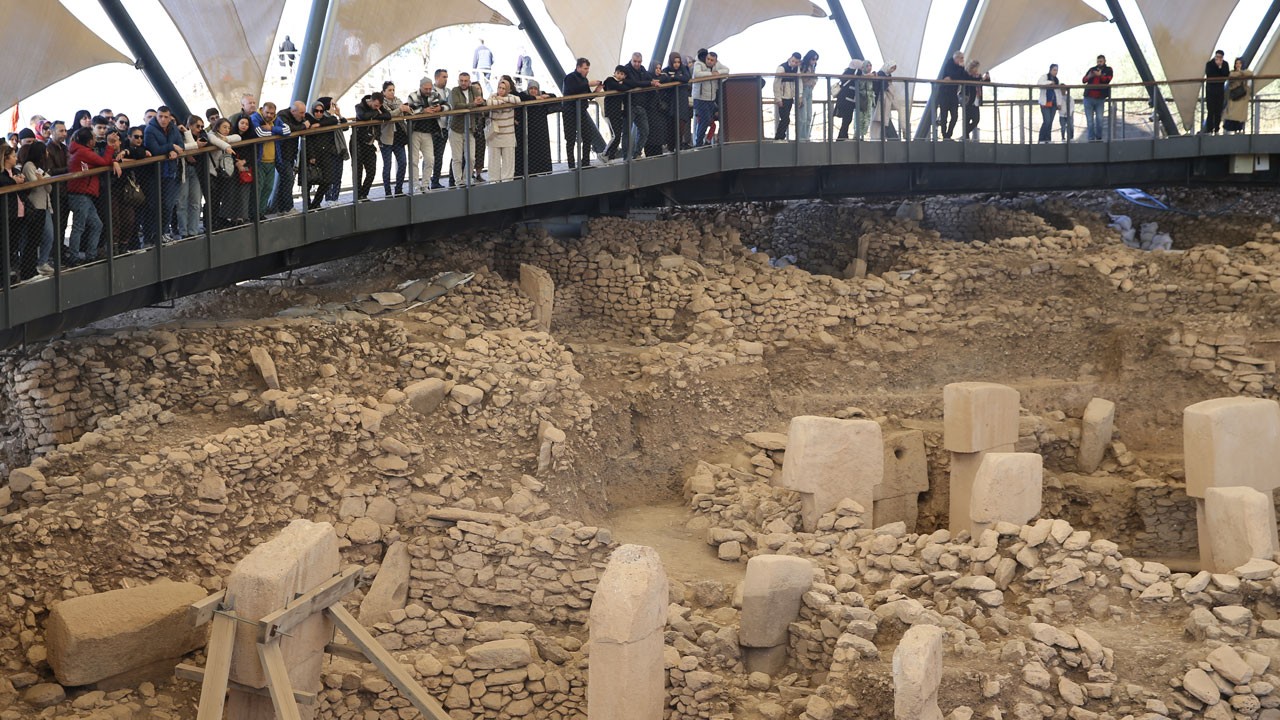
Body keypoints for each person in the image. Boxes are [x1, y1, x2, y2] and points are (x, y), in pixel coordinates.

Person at [66, 126, 119, 264]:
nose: (96, 140)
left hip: (84, 194)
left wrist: (112, 160)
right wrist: (109, 147)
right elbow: (102, 162)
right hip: (80, 194)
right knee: (79, 226)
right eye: (94, 138)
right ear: (89, 141)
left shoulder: (81, 151)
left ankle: (90, 254)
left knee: (96, 224)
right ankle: (74, 257)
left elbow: (100, 162)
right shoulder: (83, 152)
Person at [142, 106, 186, 246]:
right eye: (160, 116)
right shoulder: (150, 129)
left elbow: (181, 145)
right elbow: (154, 150)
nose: (163, 119)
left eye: (166, 117)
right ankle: (152, 235)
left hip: (170, 172)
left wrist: (175, 150)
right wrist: (171, 147)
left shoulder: (173, 127)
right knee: (154, 205)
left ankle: (163, 232)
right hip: (154, 173)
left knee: (168, 204)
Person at [562, 58, 608, 168]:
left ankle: (585, 162)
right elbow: (573, 89)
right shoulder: (570, 77)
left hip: (581, 111)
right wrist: (588, 83)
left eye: (588, 68)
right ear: (578, 67)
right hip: (570, 112)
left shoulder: (584, 80)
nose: (587, 71)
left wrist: (597, 90)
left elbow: (588, 96)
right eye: (585, 68)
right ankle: (571, 164)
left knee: (587, 137)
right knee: (570, 138)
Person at [112, 125, 151, 251]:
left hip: (131, 189)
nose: (139, 139)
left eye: (141, 137)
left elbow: (142, 153)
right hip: (116, 189)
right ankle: (118, 247)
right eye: (136, 136)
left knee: (131, 219)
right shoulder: (116, 149)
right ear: (128, 137)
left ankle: (127, 246)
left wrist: (126, 154)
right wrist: (121, 158)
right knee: (118, 220)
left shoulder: (129, 149)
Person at [407, 73, 448, 191]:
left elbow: (448, 105)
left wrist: (440, 108)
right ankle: (415, 185)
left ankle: (425, 184)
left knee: (430, 159)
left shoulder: (435, 95)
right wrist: (423, 111)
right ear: (420, 87)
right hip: (415, 132)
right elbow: (408, 110)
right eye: (426, 89)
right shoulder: (412, 96)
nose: (428, 91)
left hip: (429, 133)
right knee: (414, 160)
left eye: (430, 88)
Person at [17, 143, 53, 276]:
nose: (47, 153)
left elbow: (49, 187)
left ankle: (41, 263)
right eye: (45, 151)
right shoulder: (28, 166)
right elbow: (35, 185)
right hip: (34, 206)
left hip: (45, 205)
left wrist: (42, 179)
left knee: (47, 236)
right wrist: (43, 179)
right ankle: (28, 270)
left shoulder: (40, 167)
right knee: (32, 239)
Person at [250, 102, 289, 215]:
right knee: (258, 189)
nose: (269, 115)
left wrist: (271, 128)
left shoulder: (276, 119)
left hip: (272, 161)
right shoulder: (255, 118)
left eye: (272, 113)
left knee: (268, 188)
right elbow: (260, 133)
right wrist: (277, 131)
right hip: (259, 161)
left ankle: (261, 213)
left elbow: (287, 131)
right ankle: (253, 214)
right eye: (267, 112)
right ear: (262, 110)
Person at [515, 80, 559, 176]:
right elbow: (521, 97)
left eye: (535, 89)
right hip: (529, 130)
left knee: (542, 150)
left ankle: (543, 170)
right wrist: (536, 98)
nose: (533, 90)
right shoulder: (525, 96)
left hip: (541, 129)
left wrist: (545, 96)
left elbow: (554, 97)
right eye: (531, 88)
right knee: (530, 151)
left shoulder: (541, 95)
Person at [448, 73, 485, 185]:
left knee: (471, 158)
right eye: (461, 80)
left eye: (466, 81)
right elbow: (456, 105)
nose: (463, 83)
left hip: (470, 129)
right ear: (458, 81)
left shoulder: (473, 89)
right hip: (456, 129)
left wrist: (476, 103)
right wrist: (473, 104)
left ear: (469, 81)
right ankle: (458, 181)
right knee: (457, 158)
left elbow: (481, 102)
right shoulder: (454, 91)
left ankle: (466, 178)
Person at [273, 101, 309, 214]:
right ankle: (287, 207)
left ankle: (282, 208)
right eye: (301, 113)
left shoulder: (298, 116)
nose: (303, 116)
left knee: (286, 180)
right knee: (288, 179)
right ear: (293, 111)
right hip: (281, 154)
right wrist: (303, 126)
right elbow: (289, 129)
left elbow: (309, 120)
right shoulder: (282, 115)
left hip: (290, 154)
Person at [622, 53, 661, 158]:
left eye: (639, 62)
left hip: (641, 106)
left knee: (645, 131)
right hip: (630, 105)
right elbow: (633, 83)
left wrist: (652, 82)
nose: (637, 64)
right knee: (626, 132)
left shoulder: (643, 70)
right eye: (635, 61)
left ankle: (636, 153)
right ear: (631, 60)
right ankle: (626, 156)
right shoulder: (626, 70)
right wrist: (650, 83)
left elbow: (649, 79)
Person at [301, 102, 339, 208]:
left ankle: (315, 203)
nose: (318, 113)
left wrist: (319, 124)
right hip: (312, 154)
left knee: (327, 180)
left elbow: (334, 120)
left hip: (325, 155)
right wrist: (311, 156)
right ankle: (307, 205)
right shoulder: (308, 119)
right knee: (308, 181)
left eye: (321, 111)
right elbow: (308, 140)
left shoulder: (325, 121)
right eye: (316, 111)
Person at [352, 93, 389, 199]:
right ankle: (357, 196)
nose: (377, 108)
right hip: (358, 142)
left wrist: (374, 113)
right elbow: (362, 116)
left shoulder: (378, 107)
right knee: (358, 171)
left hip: (369, 144)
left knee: (371, 171)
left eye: (379, 106)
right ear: (371, 101)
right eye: (375, 105)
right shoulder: (359, 106)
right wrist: (376, 113)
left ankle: (363, 194)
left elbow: (388, 116)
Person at [177, 114, 209, 236]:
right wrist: (187, 152)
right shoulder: (180, 136)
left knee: (195, 201)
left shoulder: (203, 135)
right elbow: (180, 147)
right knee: (182, 202)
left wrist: (189, 149)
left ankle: (193, 230)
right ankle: (183, 231)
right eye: (197, 126)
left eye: (202, 126)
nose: (200, 128)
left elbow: (201, 144)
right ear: (189, 126)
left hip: (196, 170)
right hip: (183, 171)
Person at [379, 81, 411, 196]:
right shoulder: (381, 103)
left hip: (399, 137)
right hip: (386, 137)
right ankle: (388, 192)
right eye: (389, 90)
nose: (392, 92)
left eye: (393, 90)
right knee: (387, 165)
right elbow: (388, 115)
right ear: (384, 92)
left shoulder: (398, 100)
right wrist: (400, 110)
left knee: (402, 162)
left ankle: (399, 189)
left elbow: (405, 111)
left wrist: (402, 110)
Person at [486, 76, 521, 182]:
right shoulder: (492, 96)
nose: (500, 90)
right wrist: (501, 102)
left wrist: (503, 99)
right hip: (494, 136)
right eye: (499, 88)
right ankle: (493, 183)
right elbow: (489, 103)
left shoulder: (512, 97)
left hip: (508, 135)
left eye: (503, 88)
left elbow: (518, 100)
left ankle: (507, 183)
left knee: (508, 163)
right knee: (493, 163)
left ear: (508, 89)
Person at [692, 50, 727, 146]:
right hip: (700, 98)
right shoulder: (698, 64)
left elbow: (726, 70)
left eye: (712, 60)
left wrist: (718, 72)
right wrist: (711, 74)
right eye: (708, 59)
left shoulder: (716, 66)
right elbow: (697, 74)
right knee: (704, 120)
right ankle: (699, 143)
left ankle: (705, 141)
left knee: (707, 121)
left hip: (711, 98)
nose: (709, 61)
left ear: (715, 61)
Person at [659, 52, 693, 150]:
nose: (677, 64)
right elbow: (664, 79)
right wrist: (675, 78)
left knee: (681, 125)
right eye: (674, 62)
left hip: (681, 102)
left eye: (678, 62)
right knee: (670, 127)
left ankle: (678, 147)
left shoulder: (684, 69)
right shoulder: (666, 70)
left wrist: (673, 77)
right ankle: (671, 148)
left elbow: (686, 78)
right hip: (671, 102)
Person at [603, 65, 631, 161]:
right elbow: (614, 86)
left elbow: (625, 87)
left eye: (622, 74)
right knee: (616, 135)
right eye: (618, 73)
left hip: (618, 113)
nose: (619, 75)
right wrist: (622, 85)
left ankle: (611, 156)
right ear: (614, 73)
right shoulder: (610, 80)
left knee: (617, 136)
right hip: (610, 113)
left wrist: (622, 85)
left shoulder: (621, 83)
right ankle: (604, 153)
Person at [1081, 55, 1113, 141]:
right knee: (1090, 120)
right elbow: (1084, 80)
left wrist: (1100, 75)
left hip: (1100, 98)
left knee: (1100, 120)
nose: (1099, 63)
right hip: (1088, 98)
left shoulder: (1108, 70)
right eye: (1098, 61)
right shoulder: (1092, 69)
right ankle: (1091, 138)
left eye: (1101, 61)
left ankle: (1099, 137)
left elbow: (1108, 80)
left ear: (1104, 61)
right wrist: (1089, 76)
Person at [937, 51, 967, 139]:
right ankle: (944, 134)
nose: (962, 60)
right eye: (961, 58)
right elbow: (950, 74)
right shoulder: (949, 63)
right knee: (944, 115)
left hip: (953, 94)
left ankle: (949, 134)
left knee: (955, 116)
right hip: (944, 94)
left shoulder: (960, 67)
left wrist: (954, 76)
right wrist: (956, 74)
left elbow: (961, 77)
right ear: (956, 58)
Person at [773, 52, 801, 140]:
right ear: (790, 58)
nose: (794, 63)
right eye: (793, 61)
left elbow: (799, 82)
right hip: (782, 97)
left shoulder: (797, 69)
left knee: (785, 118)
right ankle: (779, 137)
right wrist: (778, 98)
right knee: (785, 119)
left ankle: (780, 137)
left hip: (790, 97)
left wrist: (799, 95)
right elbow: (776, 84)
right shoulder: (782, 68)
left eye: (796, 62)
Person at [1202, 49, 1231, 134]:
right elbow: (1209, 74)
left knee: (1218, 110)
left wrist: (1220, 67)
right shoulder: (1209, 64)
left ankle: (1217, 129)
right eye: (1217, 57)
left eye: (1220, 57)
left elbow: (1226, 75)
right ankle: (1209, 129)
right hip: (1210, 90)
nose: (1218, 59)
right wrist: (1216, 66)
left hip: (1220, 90)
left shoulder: (1225, 64)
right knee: (1210, 110)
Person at [869, 61, 899, 140]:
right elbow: (883, 86)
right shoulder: (881, 74)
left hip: (884, 100)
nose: (892, 70)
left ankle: (879, 137)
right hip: (879, 99)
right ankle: (875, 137)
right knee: (877, 118)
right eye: (892, 68)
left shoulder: (887, 75)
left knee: (881, 118)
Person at [1224, 57, 1253, 134]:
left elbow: (1250, 73)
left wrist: (1240, 73)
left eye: (1240, 63)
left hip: (1242, 95)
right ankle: (1231, 129)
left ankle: (1240, 129)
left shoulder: (1244, 72)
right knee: (1232, 114)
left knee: (1240, 114)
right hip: (1234, 95)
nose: (1238, 65)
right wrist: (1241, 73)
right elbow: (1232, 75)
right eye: (1236, 63)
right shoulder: (1232, 72)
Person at [796, 50, 819, 141]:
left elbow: (815, 78)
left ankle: (806, 136)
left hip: (809, 90)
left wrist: (813, 83)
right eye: (813, 59)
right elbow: (799, 79)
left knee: (809, 116)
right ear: (809, 58)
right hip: (803, 90)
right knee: (803, 116)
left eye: (816, 60)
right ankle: (801, 137)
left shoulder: (812, 67)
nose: (814, 61)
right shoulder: (801, 65)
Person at [1037, 64, 1063, 144]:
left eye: (1057, 70)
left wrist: (1059, 103)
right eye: (1054, 70)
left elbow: (1058, 93)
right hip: (1045, 103)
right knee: (1047, 121)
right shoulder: (1045, 77)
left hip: (1053, 104)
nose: (1056, 72)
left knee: (1050, 122)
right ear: (1050, 70)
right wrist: (1050, 83)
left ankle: (1048, 139)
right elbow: (1039, 84)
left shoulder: (1057, 80)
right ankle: (1041, 139)